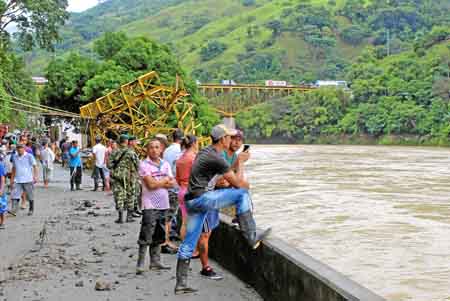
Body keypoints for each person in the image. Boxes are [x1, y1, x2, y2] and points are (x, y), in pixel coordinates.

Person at [174, 124, 271, 294]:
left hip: (192, 200)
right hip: (201, 199)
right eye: (229, 137)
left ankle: (181, 284)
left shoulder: (206, 152)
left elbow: (222, 176)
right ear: (223, 139)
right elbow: (238, 184)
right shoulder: (216, 157)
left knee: (188, 243)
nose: (232, 140)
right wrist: (240, 162)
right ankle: (251, 236)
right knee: (241, 194)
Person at [136, 138, 176, 274]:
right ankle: (140, 263)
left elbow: (173, 183)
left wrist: (160, 181)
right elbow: (150, 185)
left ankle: (155, 262)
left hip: (163, 203)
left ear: (161, 149)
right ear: (147, 150)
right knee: (146, 232)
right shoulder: (143, 164)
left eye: (157, 147)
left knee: (159, 232)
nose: (154, 149)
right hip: (149, 204)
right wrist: (164, 180)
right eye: (151, 147)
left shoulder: (165, 164)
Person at [162, 129, 184, 254]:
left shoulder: (167, 150)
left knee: (167, 215)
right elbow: (177, 170)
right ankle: (165, 242)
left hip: (166, 186)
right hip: (174, 187)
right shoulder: (179, 151)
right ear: (181, 139)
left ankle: (165, 240)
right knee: (169, 217)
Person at [108, 135, 139, 224]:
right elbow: (138, 165)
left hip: (117, 177)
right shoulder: (131, 152)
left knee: (119, 196)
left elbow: (109, 165)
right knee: (131, 195)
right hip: (130, 177)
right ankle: (129, 217)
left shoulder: (114, 152)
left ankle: (120, 217)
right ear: (126, 141)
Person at [175, 134, 198, 240]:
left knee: (185, 222)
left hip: (182, 191)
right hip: (192, 192)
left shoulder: (180, 159)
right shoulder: (194, 158)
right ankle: (193, 250)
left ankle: (184, 249)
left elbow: (178, 179)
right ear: (193, 144)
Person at [10, 144, 38, 216]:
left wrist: (35, 176)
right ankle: (14, 210)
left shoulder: (29, 156)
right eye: (18, 148)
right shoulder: (14, 157)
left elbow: (35, 166)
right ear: (16, 149)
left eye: (21, 148)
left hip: (28, 178)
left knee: (30, 195)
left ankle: (31, 209)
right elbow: (14, 168)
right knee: (15, 194)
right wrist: (12, 180)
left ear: (24, 148)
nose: (19, 150)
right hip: (17, 179)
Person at [128, 136, 142, 217]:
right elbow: (137, 164)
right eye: (135, 141)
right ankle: (131, 211)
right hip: (132, 175)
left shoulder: (132, 151)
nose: (136, 143)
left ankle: (136, 209)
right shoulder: (130, 152)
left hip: (134, 175)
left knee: (136, 192)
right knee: (133, 193)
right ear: (131, 142)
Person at [0, 157, 7, 228]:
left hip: (0, 188)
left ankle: (3, 222)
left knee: (2, 207)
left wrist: (1, 189)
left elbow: (2, 178)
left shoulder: (0, 165)